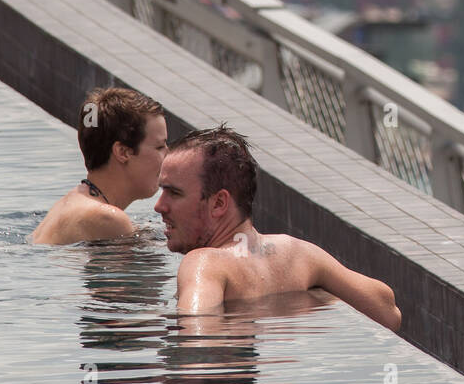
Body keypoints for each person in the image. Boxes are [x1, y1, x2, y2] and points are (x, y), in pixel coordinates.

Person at [156, 125, 401, 333]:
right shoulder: (296, 254)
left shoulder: (204, 263)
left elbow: (195, 334)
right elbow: (388, 312)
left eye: (174, 193)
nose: (159, 206)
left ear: (219, 203)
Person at [33, 87, 168, 245]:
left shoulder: (70, 203)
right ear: (123, 152)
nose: (168, 155)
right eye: (160, 147)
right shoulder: (107, 219)